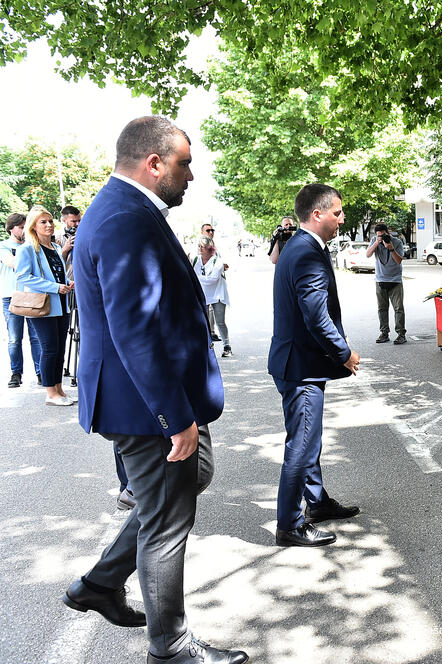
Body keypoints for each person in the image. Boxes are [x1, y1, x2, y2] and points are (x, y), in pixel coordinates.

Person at [63, 116, 248, 664]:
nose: (191, 175)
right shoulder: (125, 217)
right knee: (168, 521)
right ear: (153, 163)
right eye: (184, 163)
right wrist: (175, 417)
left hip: (147, 397)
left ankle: (99, 584)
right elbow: (134, 329)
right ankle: (171, 648)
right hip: (144, 406)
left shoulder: (129, 209)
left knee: (188, 483)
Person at [268, 183, 360, 547]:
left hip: (297, 362)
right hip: (301, 367)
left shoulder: (300, 246)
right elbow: (316, 316)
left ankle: (317, 504)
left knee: (309, 441)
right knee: (302, 445)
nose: (341, 219)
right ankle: (289, 525)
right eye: (336, 212)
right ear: (317, 214)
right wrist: (344, 353)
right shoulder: (306, 251)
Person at [15, 206, 75, 406]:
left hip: (61, 305)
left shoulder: (56, 247)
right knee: (49, 349)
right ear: (33, 226)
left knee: (59, 349)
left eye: (50, 221)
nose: (49, 225)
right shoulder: (27, 249)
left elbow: (57, 273)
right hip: (42, 306)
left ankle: (59, 389)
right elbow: (23, 276)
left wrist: (67, 283)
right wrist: (55, 287)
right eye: (43, 222)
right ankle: (50, 393)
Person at [1, 212, 42, 388]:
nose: (24, 230)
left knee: (36, 337)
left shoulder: (31, 245)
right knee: (14, 338)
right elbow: (14, 263)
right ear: (11, 228)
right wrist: (28, 247)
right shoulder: (4, 246)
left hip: (31, 295)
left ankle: (41, 372)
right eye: (21, 227)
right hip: (11, 296)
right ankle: (16, 373)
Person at [366, 222, 406, 344]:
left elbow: (399, 260)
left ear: (388, 233)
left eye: (383, 235)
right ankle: (384, 333)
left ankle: (401, 334)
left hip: (395, 280)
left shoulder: (397, 242)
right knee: (382, 308)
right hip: (380, 280)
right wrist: (377, 243)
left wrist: (391, 248)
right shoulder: (374, 240)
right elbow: (368, 254)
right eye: (379, 235)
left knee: (398, 308)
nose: (381, 237)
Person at [194, 236, 232, 357]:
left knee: (220, 321)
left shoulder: (218, 261)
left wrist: (196, 277)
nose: (200, 248)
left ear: (210, 248)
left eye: (203, 246)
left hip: (218, 294)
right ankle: (206, 345)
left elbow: (212, 279)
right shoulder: (195, 260)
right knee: (203, 322)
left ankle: (227, 346)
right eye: (199, 246)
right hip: (203, 294)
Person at [59, 205, 81, 282]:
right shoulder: (57, 238)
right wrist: (65, 250)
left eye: (79, 220)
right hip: (67, 281)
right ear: (64, 220)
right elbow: (55, 262)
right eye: (74, 221)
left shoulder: (84, 235)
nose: (77, 224)